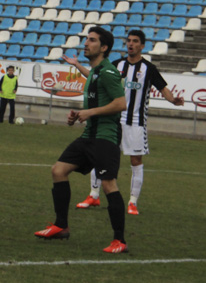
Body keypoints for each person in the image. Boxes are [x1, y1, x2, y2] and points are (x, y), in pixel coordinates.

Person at [68, 29, 184, 215]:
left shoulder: (148, 68)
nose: (131, 44)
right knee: (99, 155)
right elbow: (94, 75)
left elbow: (163, 88)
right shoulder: (117, 65)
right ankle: (93, 195)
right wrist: (77, 65)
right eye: (129, 40)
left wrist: (172, 100)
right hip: (112, 121)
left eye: (135, 41)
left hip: (135, 123)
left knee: (136, 160)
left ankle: (132, 202)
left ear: (142, 45)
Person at [35, 26, 129, 254]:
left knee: (108, 185)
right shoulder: (96, 72)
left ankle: (119, 241)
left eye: (92, 40)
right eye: (86, 39)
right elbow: (95, 92)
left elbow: (120, 104)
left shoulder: (108, 72)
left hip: (105, 137)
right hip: (89, 135)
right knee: (58, 170)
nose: (86, 43)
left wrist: (90, 113)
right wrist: (79, 114)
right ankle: (61, 225)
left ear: (104, 48)